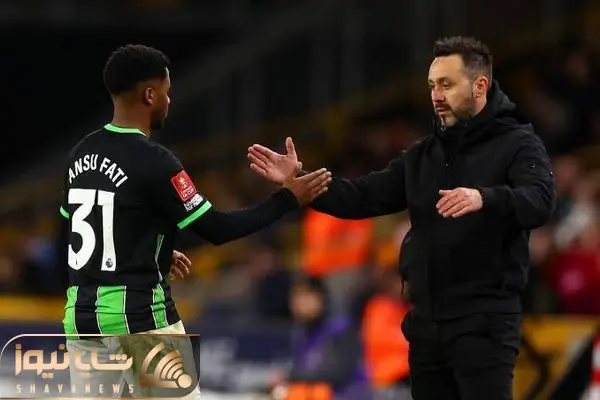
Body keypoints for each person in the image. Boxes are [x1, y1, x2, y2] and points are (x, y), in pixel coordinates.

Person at [248, 36, 556, 400]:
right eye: (432, 85)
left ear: (480, 86)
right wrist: (300, 182)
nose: (436, 95)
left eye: (446, 84)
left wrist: (485, 198)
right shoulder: (423, 156)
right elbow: (361, 196)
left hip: (483, 320)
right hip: (426, 322)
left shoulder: (517, 143)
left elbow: (540, 200)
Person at [59, 44, 331, 399]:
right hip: (140, 320)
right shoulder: (156, 160)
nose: (169, 101)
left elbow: (80, 231)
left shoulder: (80, 153)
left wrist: (147, 251)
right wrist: (287, 199)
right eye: (167, 92)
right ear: (150, 95)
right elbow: (216, 229)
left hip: (82, 321)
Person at [273, 276, 371, 400]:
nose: (301, 302)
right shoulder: (301, 333)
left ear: (321, 298)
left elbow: (337, 373)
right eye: (296, 296)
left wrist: (290, 376)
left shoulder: (341, 328)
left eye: (307, 295)